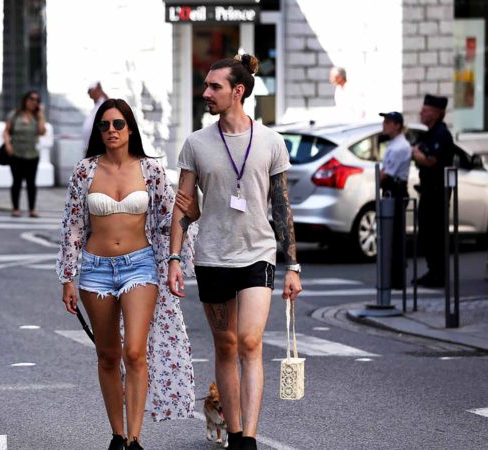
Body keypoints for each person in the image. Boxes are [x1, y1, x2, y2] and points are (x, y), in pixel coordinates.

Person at [168, 54, 303, 450]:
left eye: (214, 87)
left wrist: (292, 264)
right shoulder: (196, 143)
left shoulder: (270, 141)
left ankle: (249, 439)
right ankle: (235, 428)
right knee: (225, 345)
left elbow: (281, 205)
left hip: (258, 253)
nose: (205, 93)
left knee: (248, 341)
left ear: (237, 91)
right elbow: (183, 203)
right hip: (212, 255)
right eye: (206, 86)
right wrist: (175, 258)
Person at [57, 99, 198, 450]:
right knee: (108, 354)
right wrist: (67, 277)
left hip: (140, 265)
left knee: (135, 352)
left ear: (130, 128)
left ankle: (135, 437)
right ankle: (117, 435)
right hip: (95, 269)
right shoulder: (84, 171)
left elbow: (170, 219)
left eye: (118, 124)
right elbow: (73, 226)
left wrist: (180, 247)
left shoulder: (150, 170)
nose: (111, 131)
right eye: (104, 126)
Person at [412, 94, 454, 287]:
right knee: (427, 235)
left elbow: (431, 160)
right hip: (428, 191)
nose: (422, 112)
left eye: (426, 109)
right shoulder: (429, 133)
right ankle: (432, 271)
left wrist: (414, 153)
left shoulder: (441, 134)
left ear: (436, 114)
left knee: (436, 235)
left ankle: (438, 275)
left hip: (438, 193)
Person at [379, 111, 411, 289]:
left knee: (395, 236)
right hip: (393, 190)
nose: (384, 125)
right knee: (391, 236)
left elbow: (386, 174)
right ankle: (393, 278)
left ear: (397, 125)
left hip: (396, 190)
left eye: (388, 122)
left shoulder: (400, 147)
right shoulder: (394, 144)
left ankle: (396, 279)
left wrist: (378, 179)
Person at [2, 90, 47, 218]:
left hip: (32, 154)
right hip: (16, 153)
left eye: (36, 100)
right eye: (31, 99)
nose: (34, 102)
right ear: (25, 100)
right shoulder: (15, 114)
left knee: (31, 182)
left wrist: (41, 115)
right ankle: (16, 208)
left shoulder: (37, 116)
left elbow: (42, 132)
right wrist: (8, 145)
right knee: (16, 181)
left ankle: (32, 209)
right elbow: (6, 131)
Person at [81, 81, 109, 152]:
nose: (89, 94)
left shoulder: (103, 104)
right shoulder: (96, 105)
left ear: (97, 90)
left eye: (90, 91)